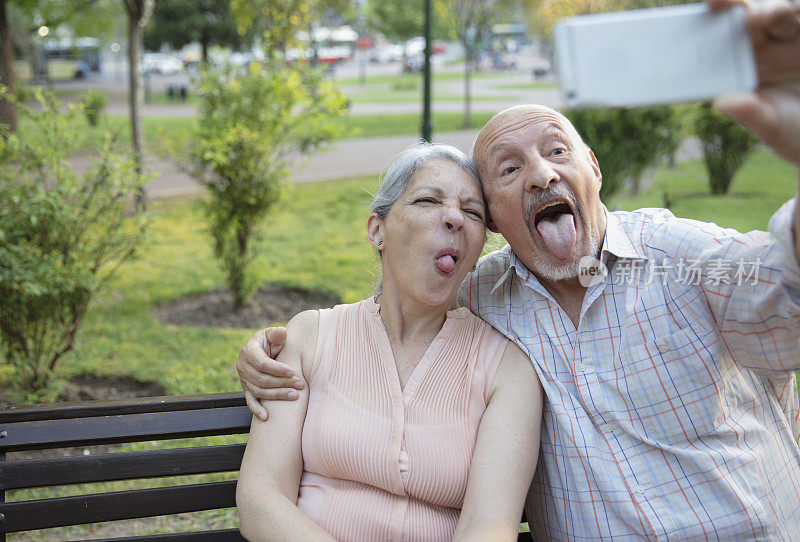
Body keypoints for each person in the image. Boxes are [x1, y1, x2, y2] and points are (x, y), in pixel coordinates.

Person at [237, 0, 800, 538]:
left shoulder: (683, 256)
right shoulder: (483, 296)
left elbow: (784, 290)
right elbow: (396, 310)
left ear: (593, 169)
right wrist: (267, 347)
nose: (541, 176)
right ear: (500, 224)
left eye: (557, 153)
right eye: (509, 169)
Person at [235, 143, 543, 541]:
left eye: (472, 212)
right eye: (428, 200)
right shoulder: (309, 338)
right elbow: (261, 498)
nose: (454, 218)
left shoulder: (508, 369)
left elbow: (490, 526)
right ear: (377, 230)